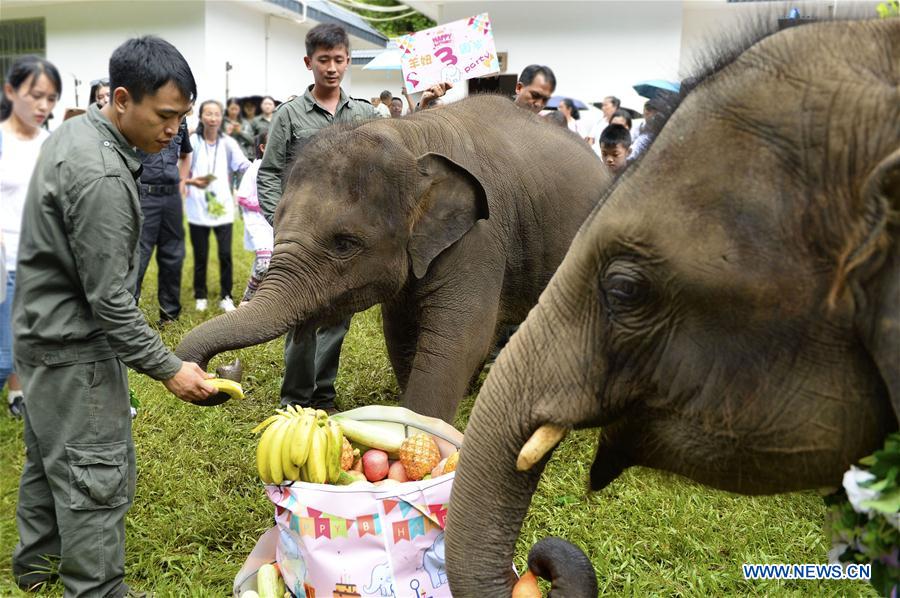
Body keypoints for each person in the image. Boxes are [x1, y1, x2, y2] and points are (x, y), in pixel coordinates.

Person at [11, 36, 213, 595]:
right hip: (75, 348)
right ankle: (94, 588)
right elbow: (110, 301)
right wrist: (170, 367)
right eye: (165, 116)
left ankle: (37, 575)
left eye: (182, 118)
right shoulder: (101, 176)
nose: (174, 130)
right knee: (94, 478)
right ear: (122, 99)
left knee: (50, 464)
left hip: (40, 335)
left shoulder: (76, 130)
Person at [257, 22, 376, 412]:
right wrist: (283, 222)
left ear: (347, 62)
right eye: (323, 60)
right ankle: (294, 400)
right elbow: (271, 172)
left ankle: (323, 395)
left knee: (338, 315)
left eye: (339, 60)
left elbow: (387, 162)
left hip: (344, 237)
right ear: (309, 62)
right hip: (303, 236)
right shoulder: (290, 116)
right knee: (300, 315)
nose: (332, 67)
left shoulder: (364, 114)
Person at [1, 55, 61, 419]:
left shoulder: (52, 143)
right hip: (4, 259)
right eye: (36, 95)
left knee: (30, 335)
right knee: (5, 347)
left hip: (40, 258)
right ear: (10, 91)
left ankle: (18, 392)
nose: (44, 105)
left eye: (51, 98)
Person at [184, 99, 251, 313]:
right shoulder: (193, 141)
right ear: (201, 116)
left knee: (224, 254)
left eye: (216, 114)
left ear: (221, 117)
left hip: (222, 208)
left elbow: (243, 165)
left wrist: (258, 167)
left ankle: (226, 296)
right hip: (198, 207)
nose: (212, 118)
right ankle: (200, 295)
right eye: (208, 114)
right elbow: (183, 171)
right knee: (201, 255)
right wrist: (192, 182)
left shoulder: (228, 143)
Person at [134, 116, 192, 325]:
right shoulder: (143, 115)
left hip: (171, 196)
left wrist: (182, 182)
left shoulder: (182, 122)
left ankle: (169, 314)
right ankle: (128, 312)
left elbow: (186, 154)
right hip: (144, 195)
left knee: (173, 254)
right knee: (138, 255)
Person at [236, 131, 273, 303]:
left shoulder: (278, 168)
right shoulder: (255, 168)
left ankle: (263, 299)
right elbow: (242, 197)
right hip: (257, 221)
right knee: (264, 263)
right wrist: (265, 204)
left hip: (273, 221)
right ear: (263, 147)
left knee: (271, 261)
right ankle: (247, 300)